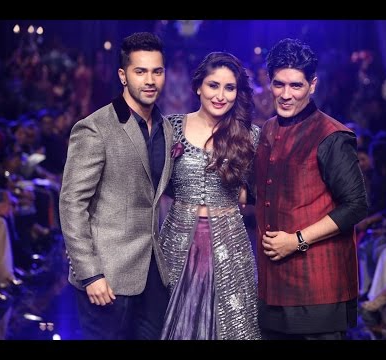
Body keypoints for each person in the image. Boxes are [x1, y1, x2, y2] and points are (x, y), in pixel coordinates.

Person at [59, 32, 173, 340]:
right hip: (106, 278)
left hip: (152, 277)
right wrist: (90, 274)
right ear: (123, 75)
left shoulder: (167, 128)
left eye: (157, 71)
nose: (150, 80)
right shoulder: (95, 128)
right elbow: (71, 205)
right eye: (140, 71)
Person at [253, 38, 368, 340]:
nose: (286, 95)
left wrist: (298, 240)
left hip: (319, 288)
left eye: (296, 86)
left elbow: (356, 205)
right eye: (279, 85)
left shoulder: (332, 135)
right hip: (273, 285)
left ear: (312, 85)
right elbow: (264, 191)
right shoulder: (267, 129)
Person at [159, 52, 261, 340]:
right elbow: (157, 181)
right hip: (177, 241)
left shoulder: (249, 135)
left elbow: (260, 190)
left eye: (230, 88)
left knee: (230, 326)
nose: (221, 95)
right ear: (198, 87)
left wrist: (241, 192)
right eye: (213, 85)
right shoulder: (171, 127)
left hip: (229, 243)